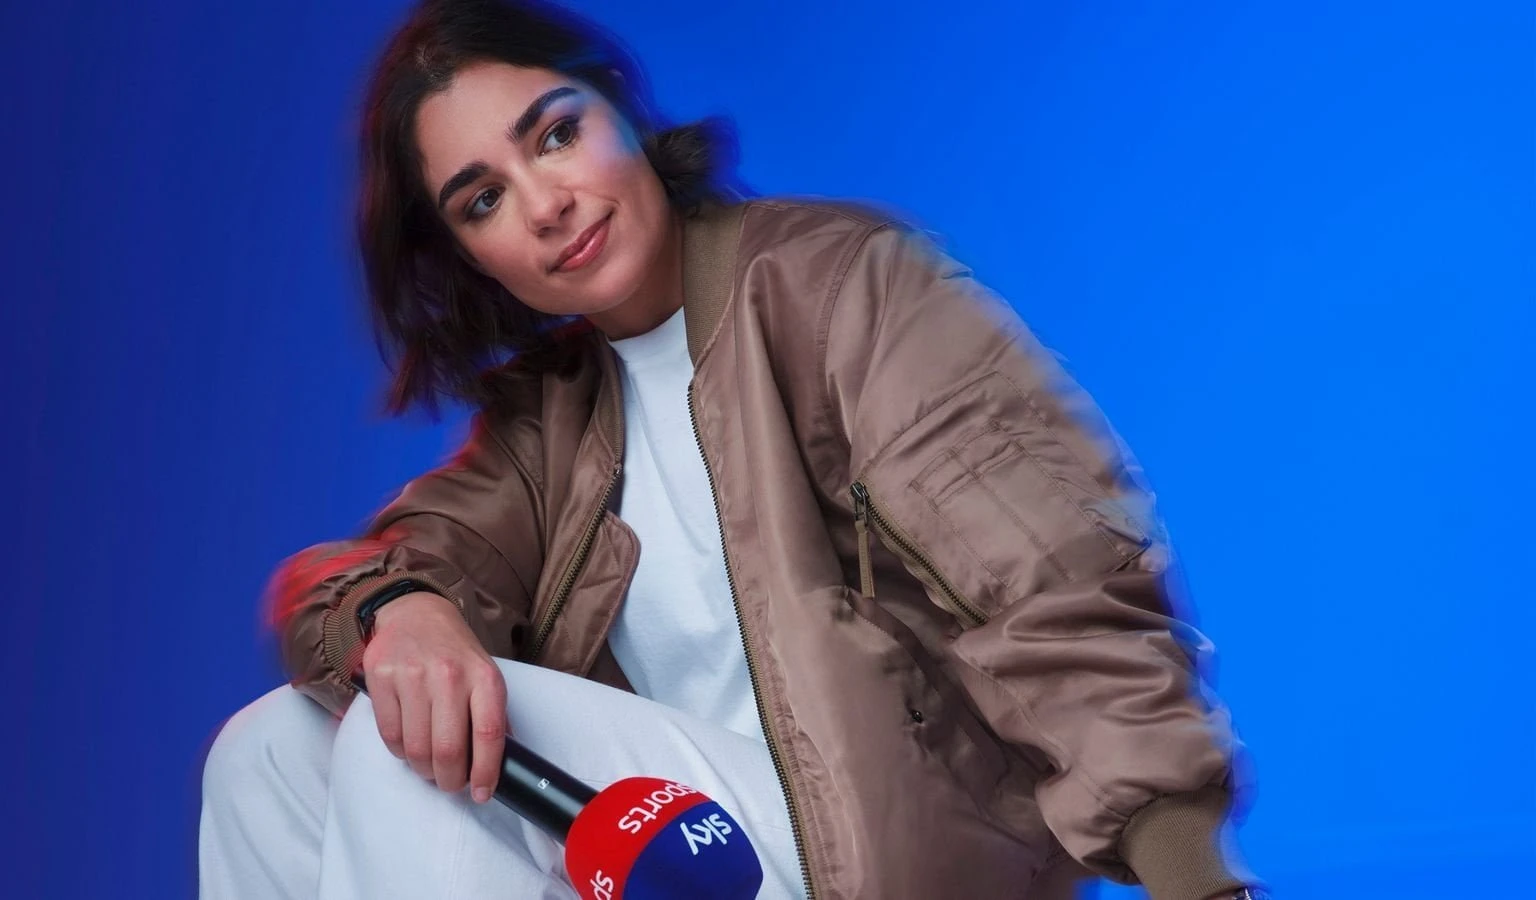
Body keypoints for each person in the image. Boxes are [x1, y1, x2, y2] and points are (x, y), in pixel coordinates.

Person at [199, 1, 1268, 898]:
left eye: (555, 134)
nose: (545, 205)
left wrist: (1194, 876)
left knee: (410, 737)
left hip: (892, 863)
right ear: (469, 255)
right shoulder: (546, 422)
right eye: (484, 199)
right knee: (267, 752)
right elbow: (362, 572)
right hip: (688, 859)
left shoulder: (844, 286)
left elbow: (1050, 580)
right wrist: (397, 609)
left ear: (621, 108)